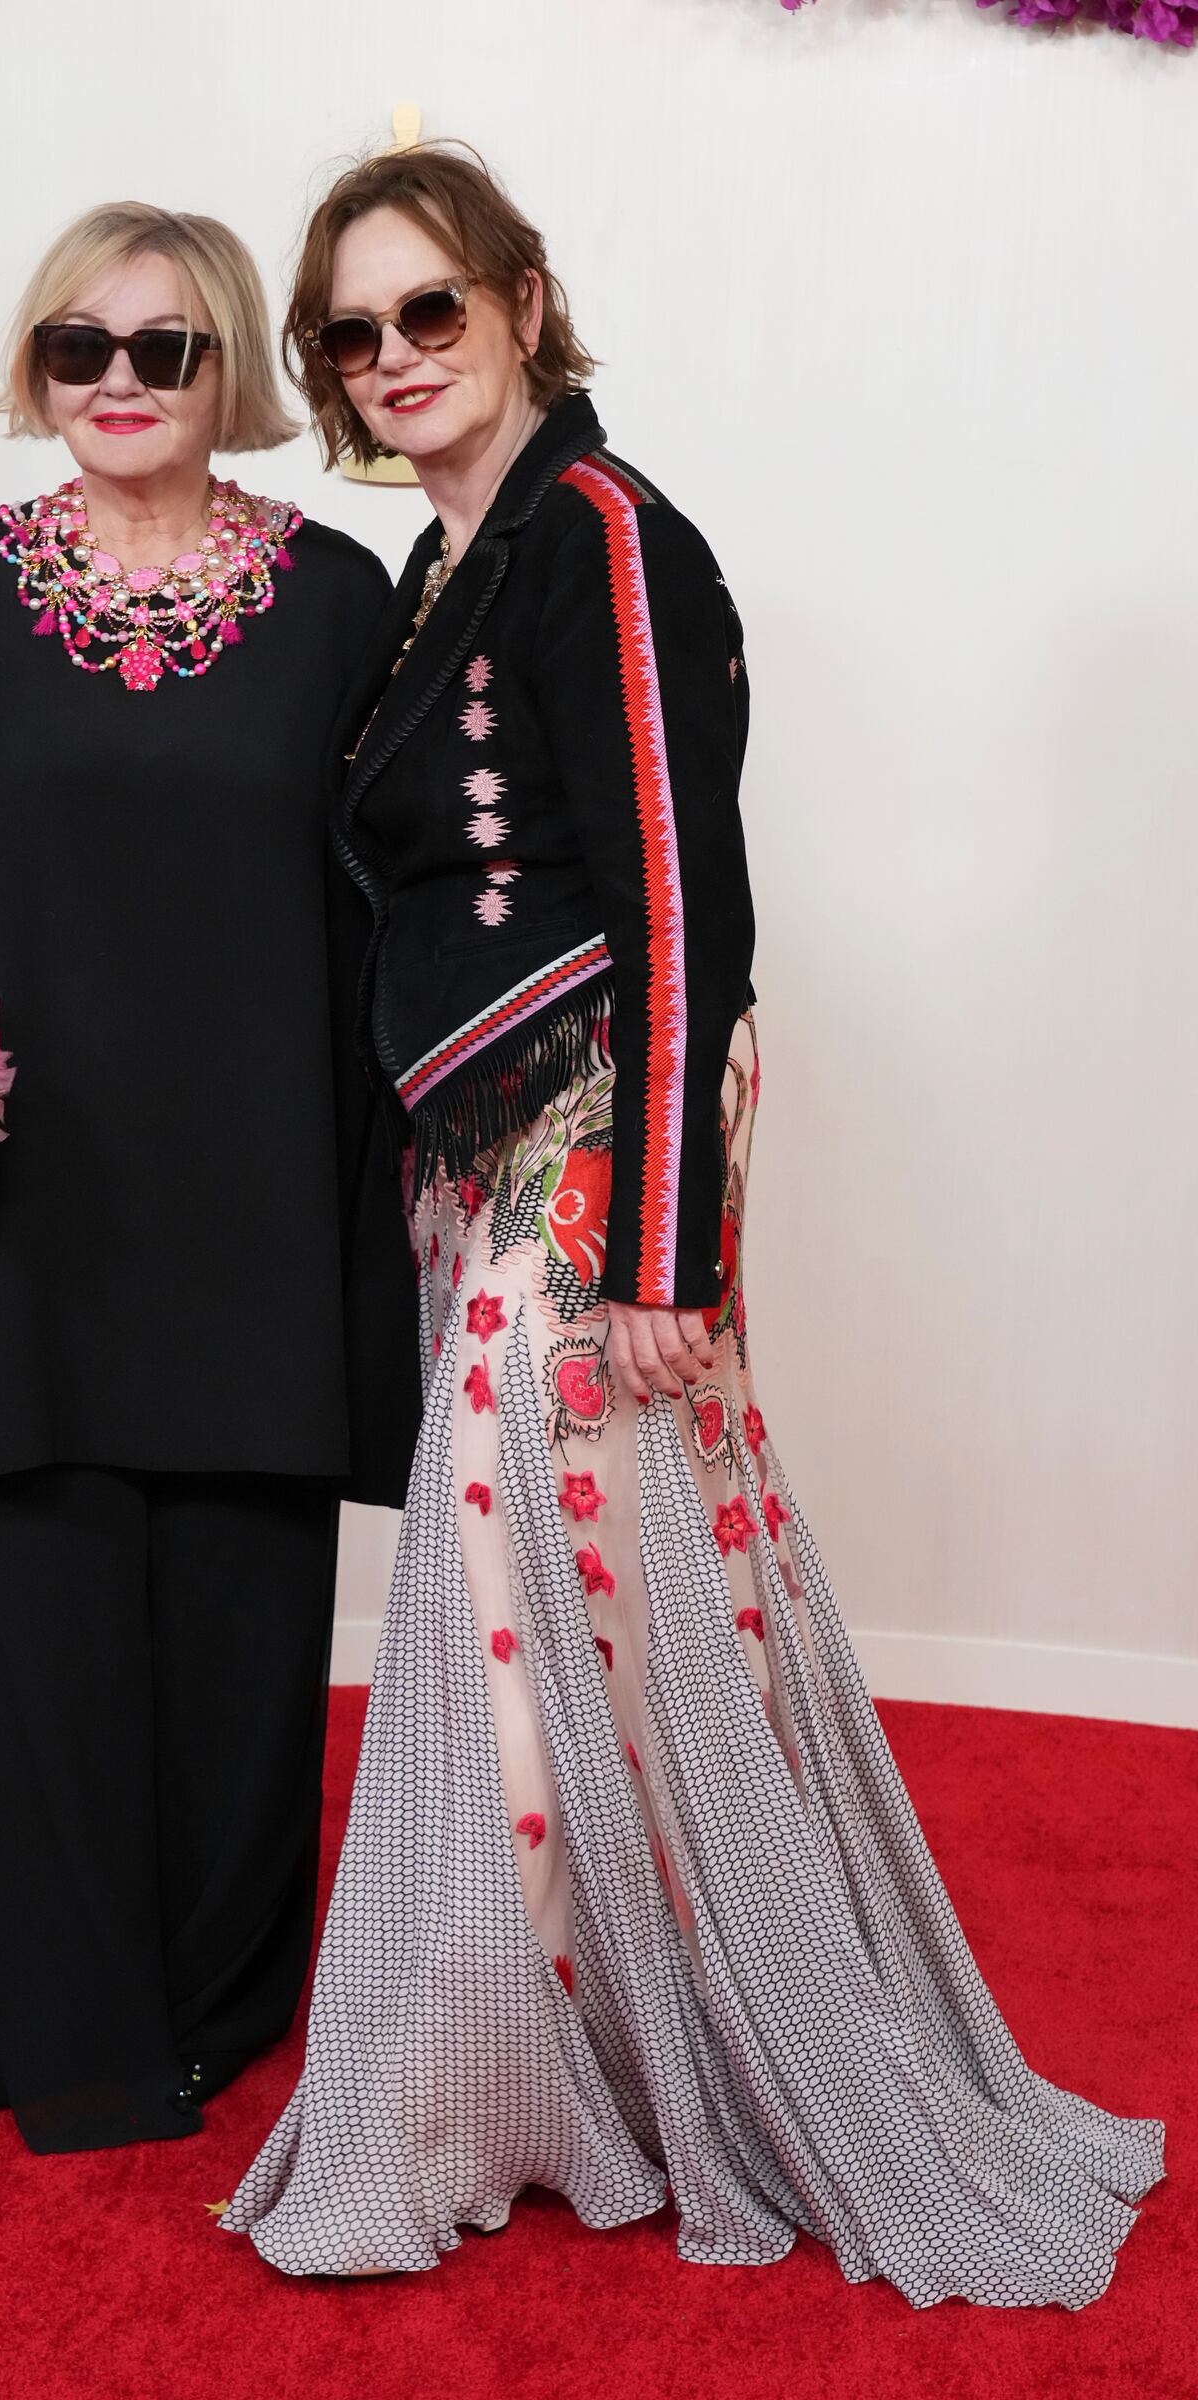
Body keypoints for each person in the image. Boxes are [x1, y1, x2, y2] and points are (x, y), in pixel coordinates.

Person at [221, 143, 1164, 2305]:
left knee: (563, 1612)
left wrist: (663, 1248)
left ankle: (620, 2072)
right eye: (351, 335)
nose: (391, 360)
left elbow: (675, 898)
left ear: (525, 301)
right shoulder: (442, 562)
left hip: (586, 1141)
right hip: (484, 1159)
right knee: (532, 1619)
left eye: (427, 312)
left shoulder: (603, 539)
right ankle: (567, 2066)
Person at [0, 202, 419, 2155]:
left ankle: (214, 2004)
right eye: (78, 348)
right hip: (27, 1215)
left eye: (164, 350)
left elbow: (407, 891)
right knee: (35, 1634)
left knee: (233, 1629)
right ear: (35, 368)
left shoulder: (332, 605)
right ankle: (28, 2000)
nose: (118, 385)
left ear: (231, 369)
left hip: (258, 1203)